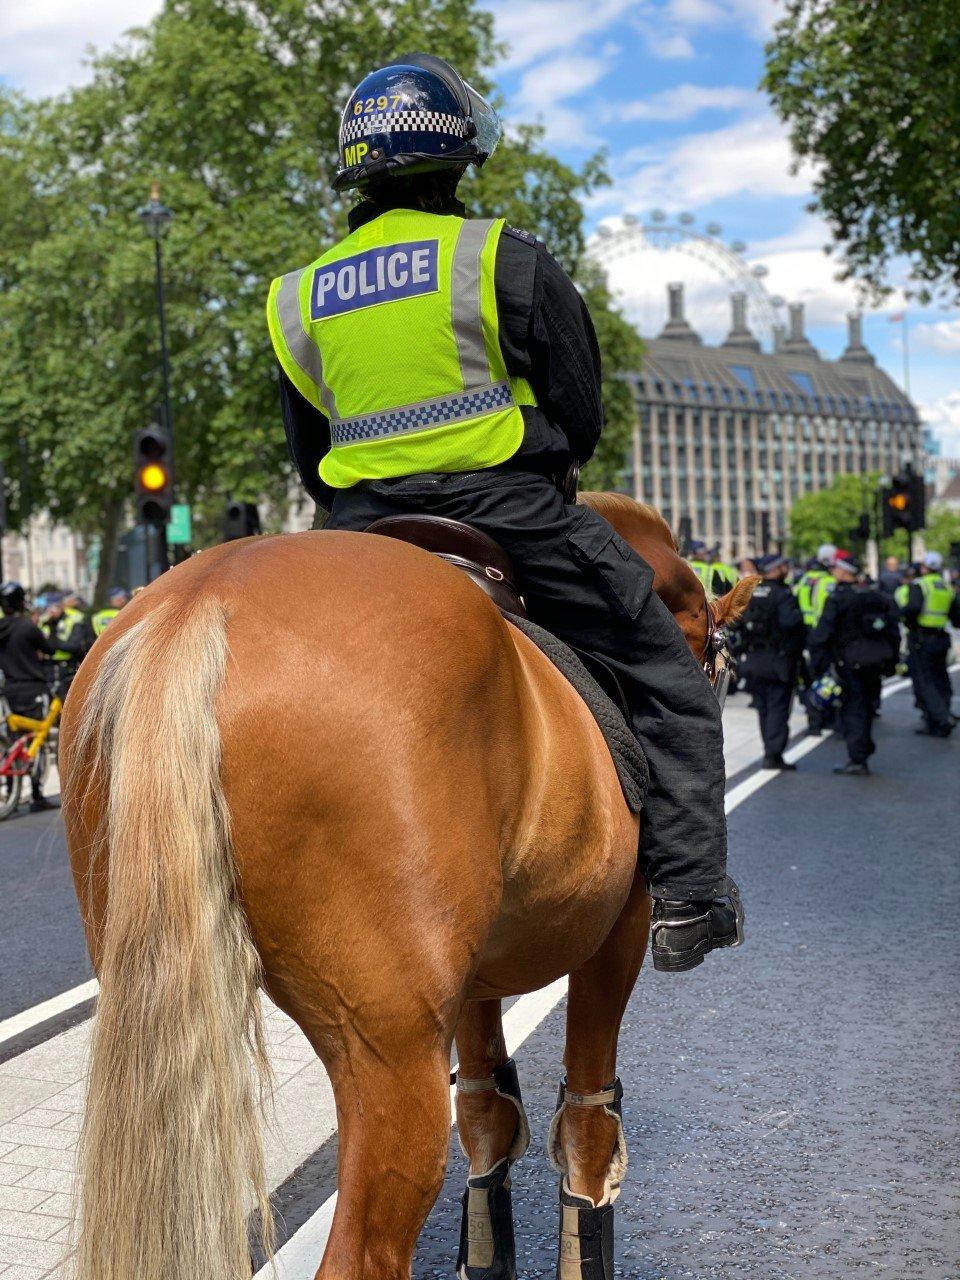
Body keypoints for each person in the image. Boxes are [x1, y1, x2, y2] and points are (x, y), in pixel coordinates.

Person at [266, 52, 741, 972]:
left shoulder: (298, 295)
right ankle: (689, 896)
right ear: (458, 161)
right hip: (508, 514)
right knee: (666, 668)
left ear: (354, 168)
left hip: (358, 532)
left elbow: (308, 458)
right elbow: (581, 420)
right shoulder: (500, 257)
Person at [809, 557, 900, 775]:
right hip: (874, 662)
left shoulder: (838, 598)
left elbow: (823, 634)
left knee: (853, 709)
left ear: (844, 572)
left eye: (837, 568)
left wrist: (818, 664)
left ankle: (858, 757)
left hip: (848, 662)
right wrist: (892, 661)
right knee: (867, 706)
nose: (834, 571)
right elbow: (892, 630)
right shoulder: (876, 596)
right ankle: (864, 748)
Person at [739, 553, 806, 769]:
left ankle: (769, 748)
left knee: (763, 707)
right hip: (778, 659)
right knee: (778, 707)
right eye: (783, 566)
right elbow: (790, 624)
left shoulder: (751, 591)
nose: (786, 568)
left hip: (754, 657)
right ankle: (773, 754)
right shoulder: (782, 593)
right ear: (775, 569)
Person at [0, 581, 62, 810]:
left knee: (13, 741)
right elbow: (49, 649)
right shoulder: (27, 627)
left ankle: (11, 792)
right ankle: (37, 794)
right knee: (38, 738)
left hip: (10, 689)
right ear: (20, 602)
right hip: (33, 687)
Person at [898, 550, 959, 737]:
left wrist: (907, 621)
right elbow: (956, 616)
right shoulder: (945, 586)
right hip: (941, 638)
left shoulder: (920, 585)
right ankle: (940, 719)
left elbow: (912, 609)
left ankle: (941, 718)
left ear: (924, 567)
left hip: (922, 639)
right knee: (941, 678)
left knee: (925, 682)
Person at [41, 591, 92, 693]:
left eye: (55, 607)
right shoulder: (44, 620)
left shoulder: (73, 619)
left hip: (68, 667)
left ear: (61, 606)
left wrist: (53, 643)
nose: (51, 611)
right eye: (49, 607)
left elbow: (73, 646)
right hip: (48, 668)